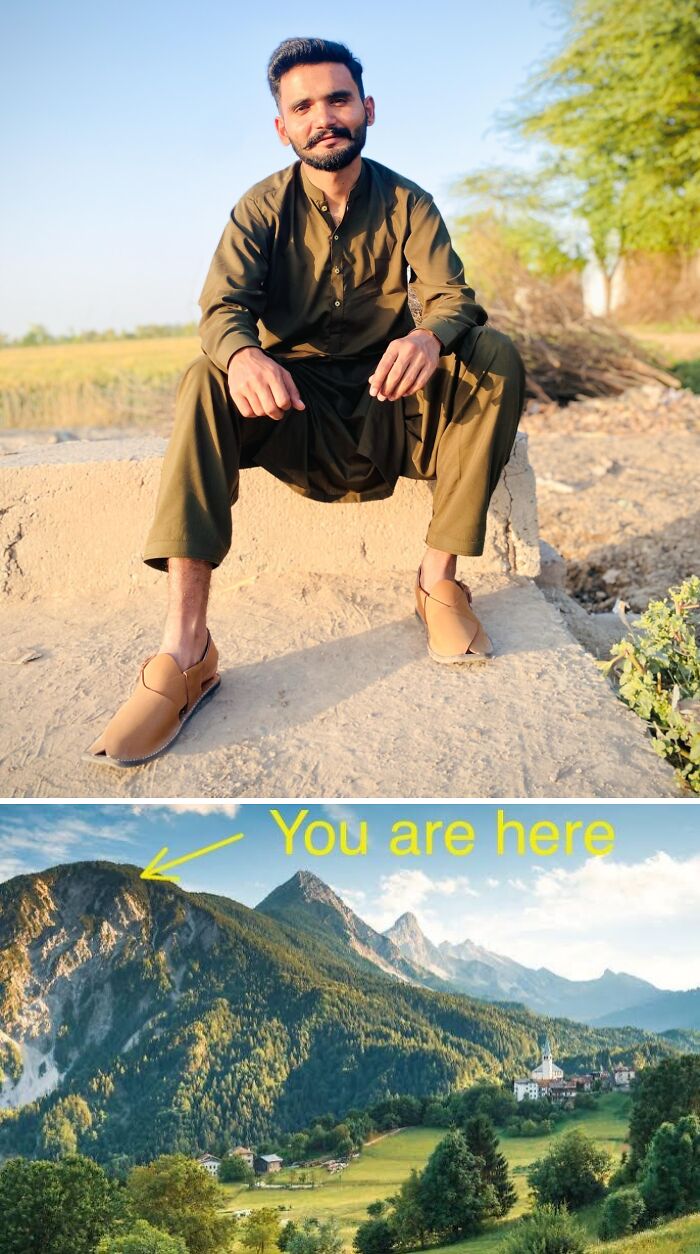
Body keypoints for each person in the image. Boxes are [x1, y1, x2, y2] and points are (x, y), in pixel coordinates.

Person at [86, 36, 526, 767]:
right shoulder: (259, 209)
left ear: (368, 108)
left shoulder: (409, 201)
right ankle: (187, 650)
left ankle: (437, 583)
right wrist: (245, 353)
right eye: (305, 106)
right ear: (283, 126)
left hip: (392, 402)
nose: (325, 117)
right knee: (205, 375)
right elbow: (220, 311)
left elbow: (455, 299)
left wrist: (428, 339)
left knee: (494, 354)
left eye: (339, 99)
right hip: (294, 413)